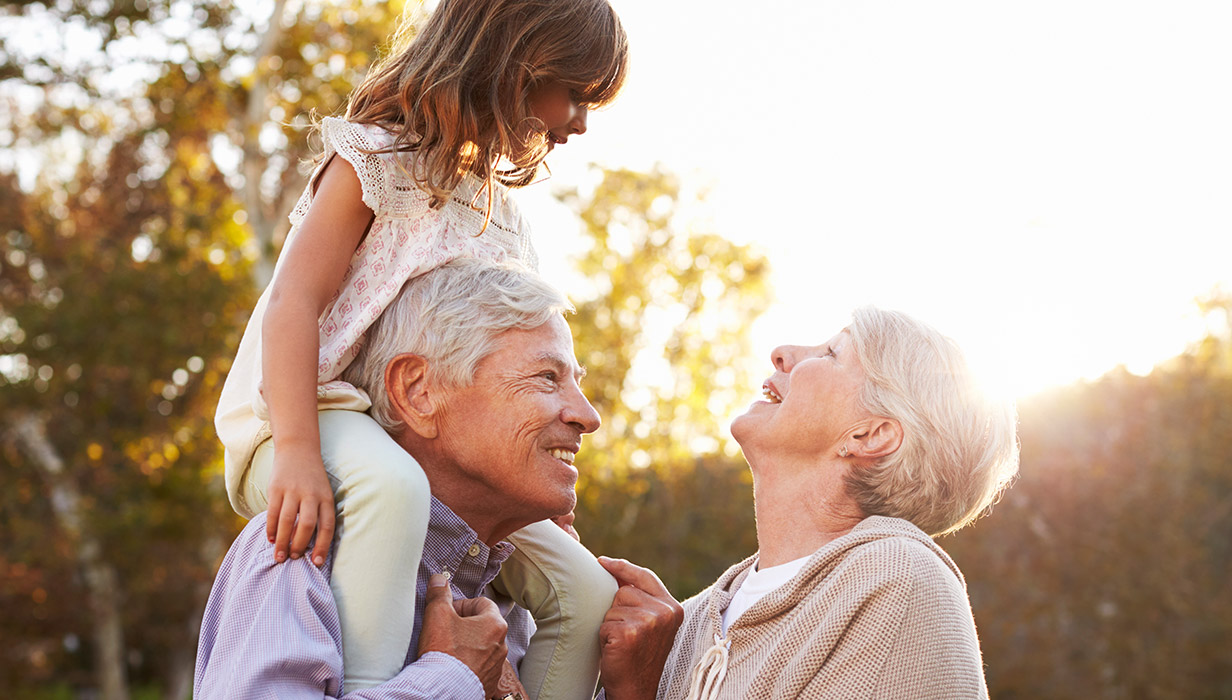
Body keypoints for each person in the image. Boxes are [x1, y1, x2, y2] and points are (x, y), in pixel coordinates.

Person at [212, 0, 627, 696]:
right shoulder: (374, 160)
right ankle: (381, 686)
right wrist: (295, 449)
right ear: (522, 63)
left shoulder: (500, 213)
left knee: (581, 587)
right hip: (311, 411)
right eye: (577, 94)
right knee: (391, 489)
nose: (580, 122)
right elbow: (293, 302)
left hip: (410, 432)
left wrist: (534, 478)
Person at [197, 258, 605, 699]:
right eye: (547, 377)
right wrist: (452, 677)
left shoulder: (518, 603)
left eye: (577, 384)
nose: (588, 416)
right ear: (418, 391)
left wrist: (629, 688)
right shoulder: (295, 554)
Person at [596, 307, 1020, 700]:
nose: (782, 355)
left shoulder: (897, 579)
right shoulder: (683, 623)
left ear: (870, 435)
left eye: (832, 353)